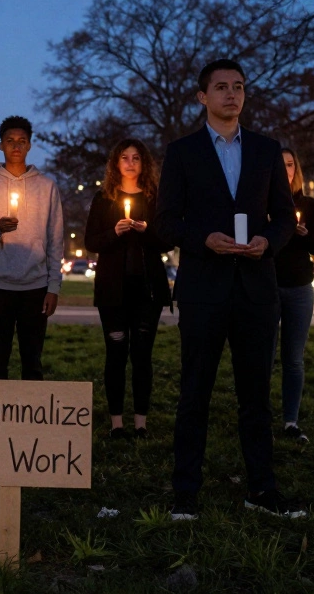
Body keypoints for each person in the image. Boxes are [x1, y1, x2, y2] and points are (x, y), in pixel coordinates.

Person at [156, 59, 305, 520]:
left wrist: (269, 241)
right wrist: (203, 238)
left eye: (238, 86)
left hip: (257, 290)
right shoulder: (182, 153)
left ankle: (261, 489)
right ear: (202, 97)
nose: (231, 94)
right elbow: (165, 223)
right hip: (204, 288)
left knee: (256, 397)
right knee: (194, 394)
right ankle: (186, 493)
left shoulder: (265, 150)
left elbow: (284, 216)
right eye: (221, 87)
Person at [84, 138, 171, 440]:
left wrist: (147, 230)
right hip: (113, 291)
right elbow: (91, 242)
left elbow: (168, 240)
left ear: (144, 163)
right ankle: (117, 423)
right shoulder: (103, 199)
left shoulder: (156, 198)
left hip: (147, 290)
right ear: (116, 164)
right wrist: (114, 232)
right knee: (116, 353)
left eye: (136, 158)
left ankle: (141, 422)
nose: (131, 163)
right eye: (124, 157)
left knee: (143, 355)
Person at [0, 116, 65, 380]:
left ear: (30, 145)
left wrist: (53, 287)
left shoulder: (47, 188)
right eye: (10, 141)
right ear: (0, 145)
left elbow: (56, 241)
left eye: (22, 141)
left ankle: (30, 419)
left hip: (35, 288)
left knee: (32, 363)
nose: (16, 146)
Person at [272, 148, 314, 444]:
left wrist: (303, 234)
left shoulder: (308, 204)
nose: (286, 170)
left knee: (293, 358)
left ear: (297, 170)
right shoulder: (263, 203)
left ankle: (290, 421)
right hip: (267, 287)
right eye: (279, 165)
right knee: (263, 358)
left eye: (290, 165)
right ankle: (257, 416)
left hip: (299, 287)